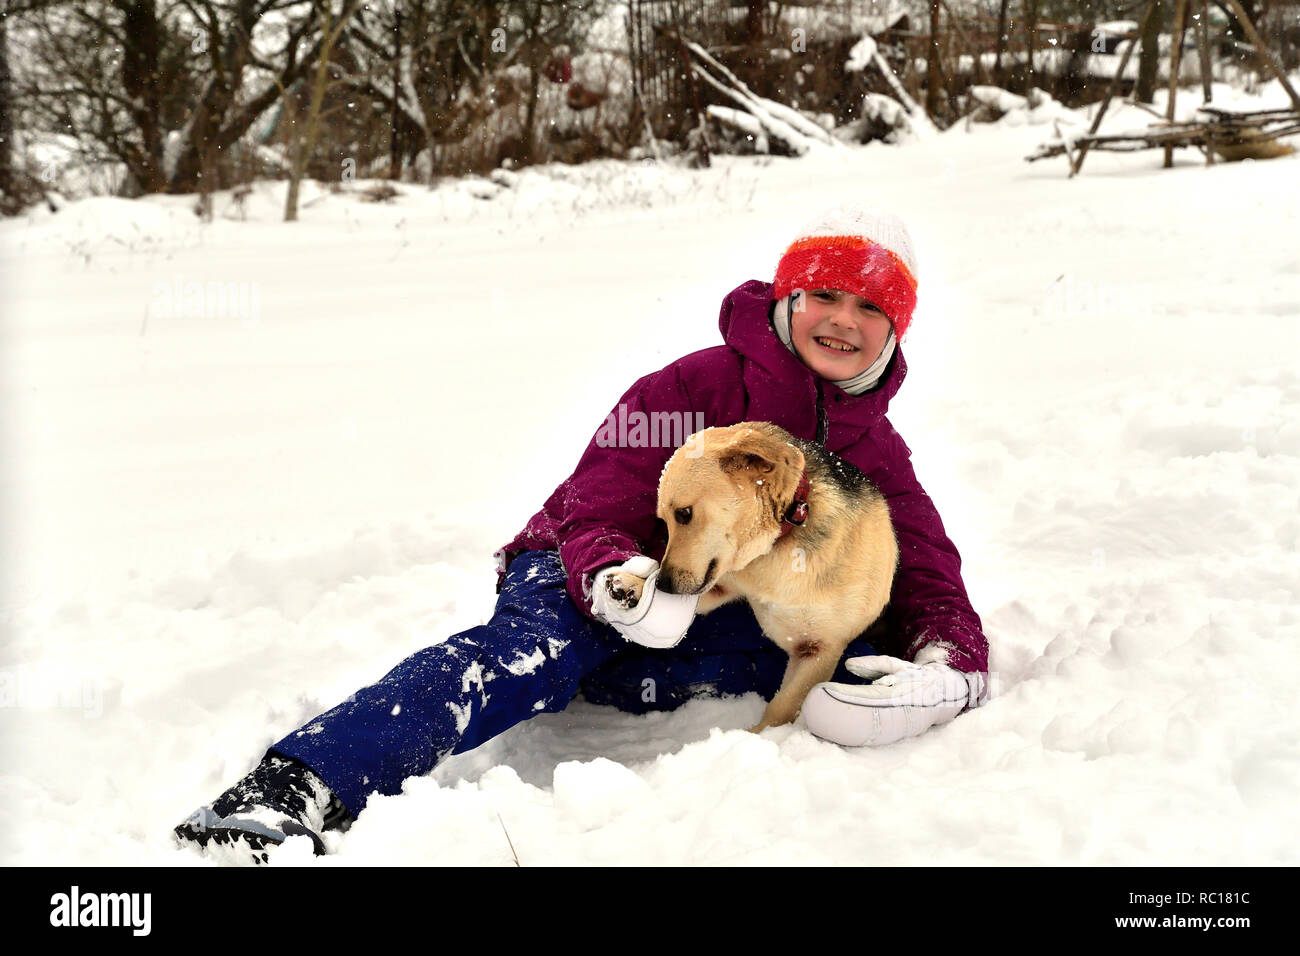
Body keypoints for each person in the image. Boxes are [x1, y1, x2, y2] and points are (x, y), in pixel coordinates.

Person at [172, 204, 990, 863]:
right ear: (787, 301)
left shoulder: (873, 453)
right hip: (581, 570)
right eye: (825, 295)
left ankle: (628, 675)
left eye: (870, 307)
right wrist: (612, 579)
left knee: (849, 645)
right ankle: (301, 783)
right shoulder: (691, 387)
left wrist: (950, 664)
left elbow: (926, 574)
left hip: (702, 620)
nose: (842, 320)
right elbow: (595, 505)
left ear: (894, 331)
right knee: (538, 651)